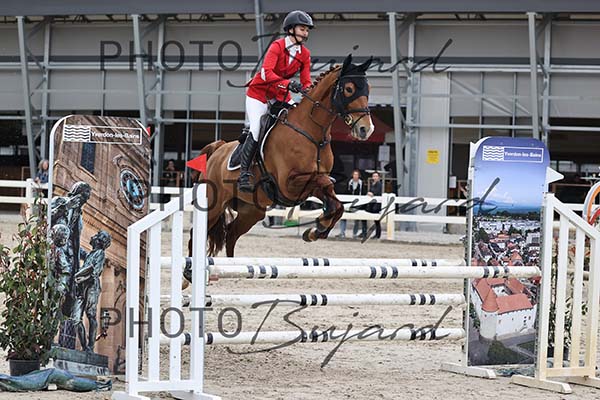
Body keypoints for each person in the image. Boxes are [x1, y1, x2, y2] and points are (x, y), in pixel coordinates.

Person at [238, 10, 314, 192]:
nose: (305, 33)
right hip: (259, 94)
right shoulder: (277, 46)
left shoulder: (304, 54)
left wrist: (311, 92)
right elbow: (266, 73)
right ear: (291, 29)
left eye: (307, 30)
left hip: (280, 96)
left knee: (297, 124)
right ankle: (244, 174)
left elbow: (306, 81)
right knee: (257, 128)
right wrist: (289, 84)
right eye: (302, 29)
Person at [337, 169, 367, 239]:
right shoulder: (349, 182)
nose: (355, 176)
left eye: (357, 175)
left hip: (357, 204)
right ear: (352, 175)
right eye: (354, 174)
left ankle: (354, 234)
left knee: (356, 219)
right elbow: (345, 192)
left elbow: (364, 192)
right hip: (349, 203)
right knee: (343, 217)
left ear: (359, 176)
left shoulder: (361, 183)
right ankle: (342, 233)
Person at [367, 172, 383, 239]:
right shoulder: (372, 184)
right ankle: (377, 234)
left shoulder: (379, 184)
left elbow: (377, 192)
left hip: (377, 204)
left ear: (378, 177)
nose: (375, 177)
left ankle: (378, 234)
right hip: (373, 204)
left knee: (377, 220)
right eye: (374, 176)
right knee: (376, 221)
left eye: (376, 176)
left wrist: (372, 194)